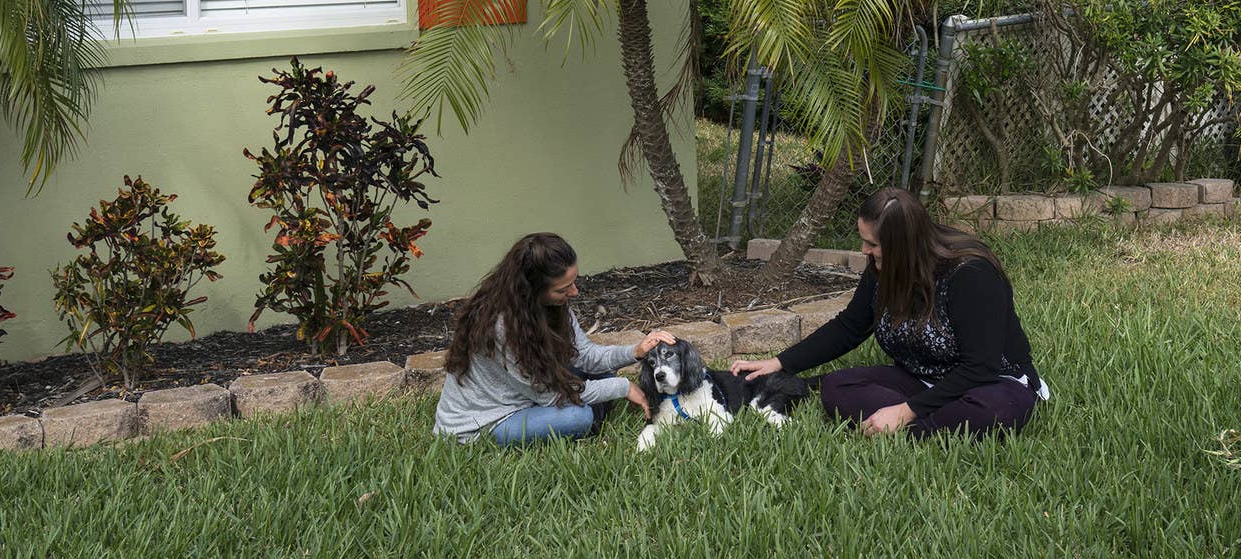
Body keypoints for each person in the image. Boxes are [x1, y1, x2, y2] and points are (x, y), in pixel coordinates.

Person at [732, 187, 1047, 439]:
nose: (864, 251)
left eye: (872, 243)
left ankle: (905, 426)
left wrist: (905, 412)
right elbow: (850, 327)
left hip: (991, 383)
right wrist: (780, 362)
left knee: (995, 411)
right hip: (921, 379)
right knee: (836, 388)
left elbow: (980, 367)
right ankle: (930, 426)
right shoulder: (883, 267)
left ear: (902, 244)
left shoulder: (971, 275)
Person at [435, 232, 676, 446]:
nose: (574, 293)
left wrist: (635, 351)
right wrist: (622, 387)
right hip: (485, 421)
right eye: (563, 289)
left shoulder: (549, 305)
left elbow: (585, 356)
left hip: (528, 390)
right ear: (531, 291)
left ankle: (592, 408)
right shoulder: (501, 327)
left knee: (603, 374)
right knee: (578, 418)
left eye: (573, 282)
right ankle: (590, 418)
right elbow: (549, 396)